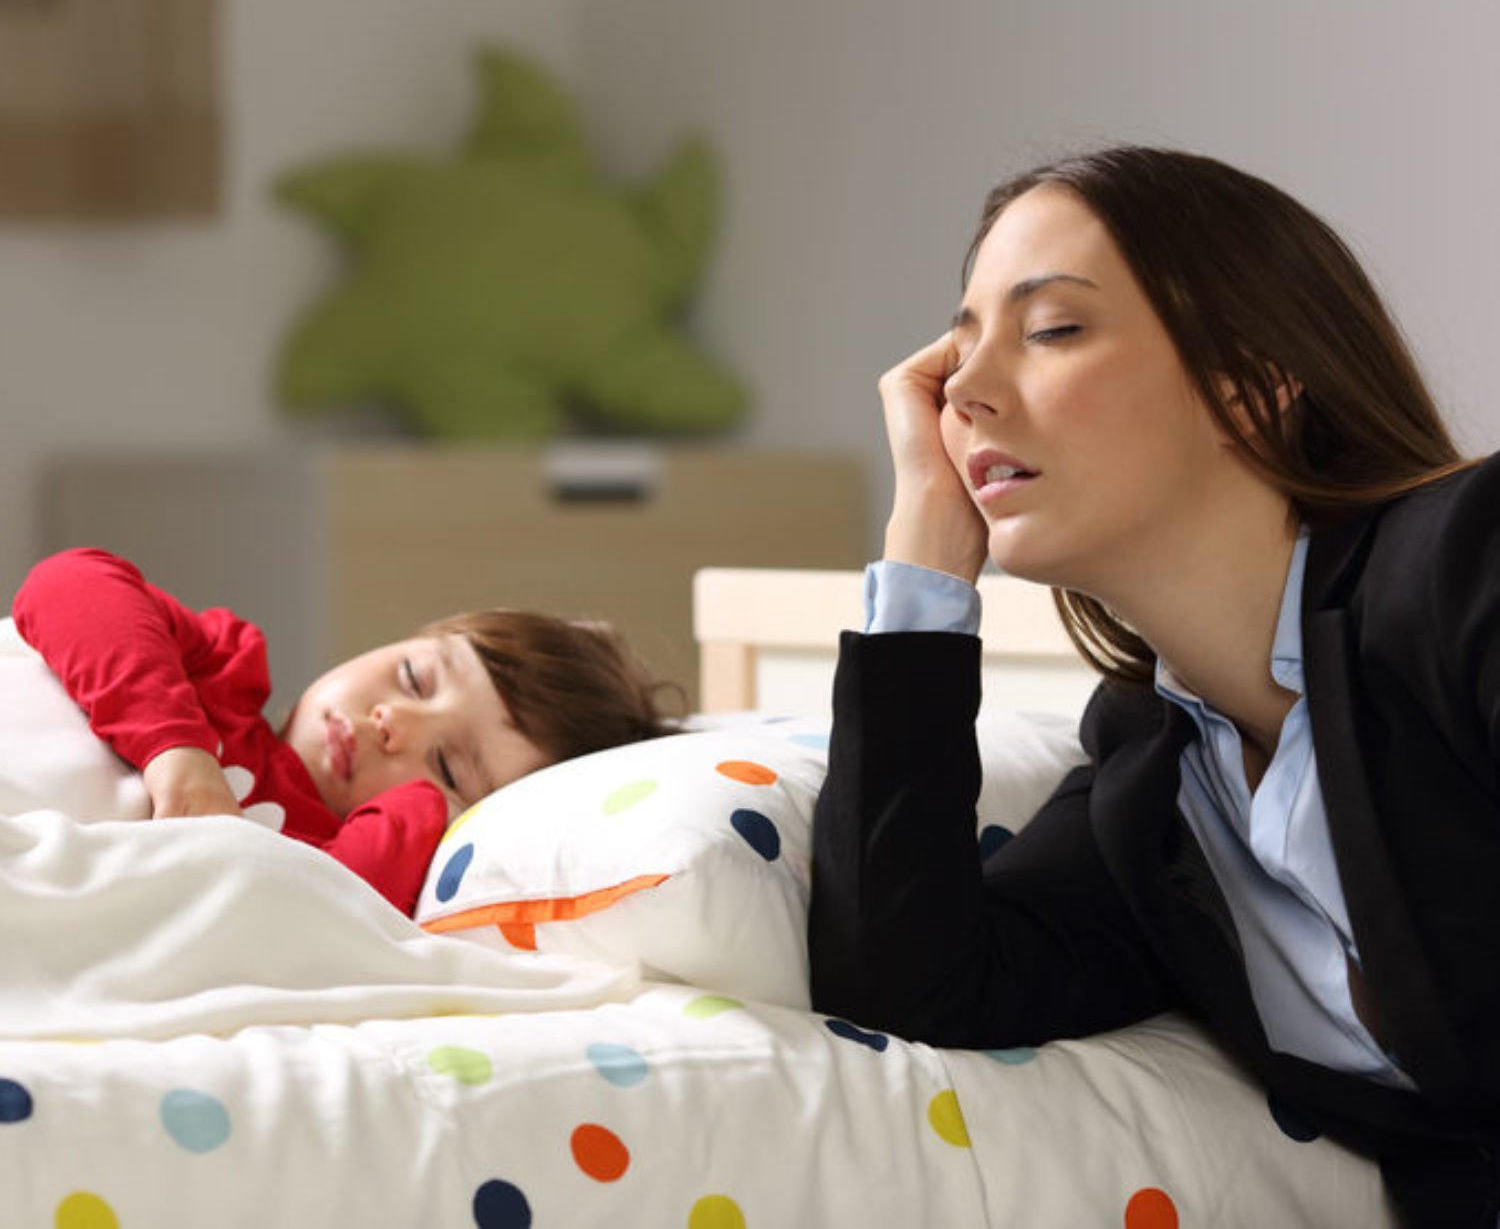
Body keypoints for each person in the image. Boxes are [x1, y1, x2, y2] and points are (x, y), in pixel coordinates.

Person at [806, 145, 1499, 1227]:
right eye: (959, 352)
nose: (966, 393)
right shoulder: (1148, 783)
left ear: (1251, 386)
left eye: (1051, 329)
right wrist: (924, 565)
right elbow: (904, 987)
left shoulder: (1474, 563)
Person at [13, 546, 677, 916]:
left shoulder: (324, 860)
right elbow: (67, 583)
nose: (395, 723)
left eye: (447, 767)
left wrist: (425, 809)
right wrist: (176, 751)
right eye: (414, 677)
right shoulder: (217, 674)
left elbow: (313, 916)